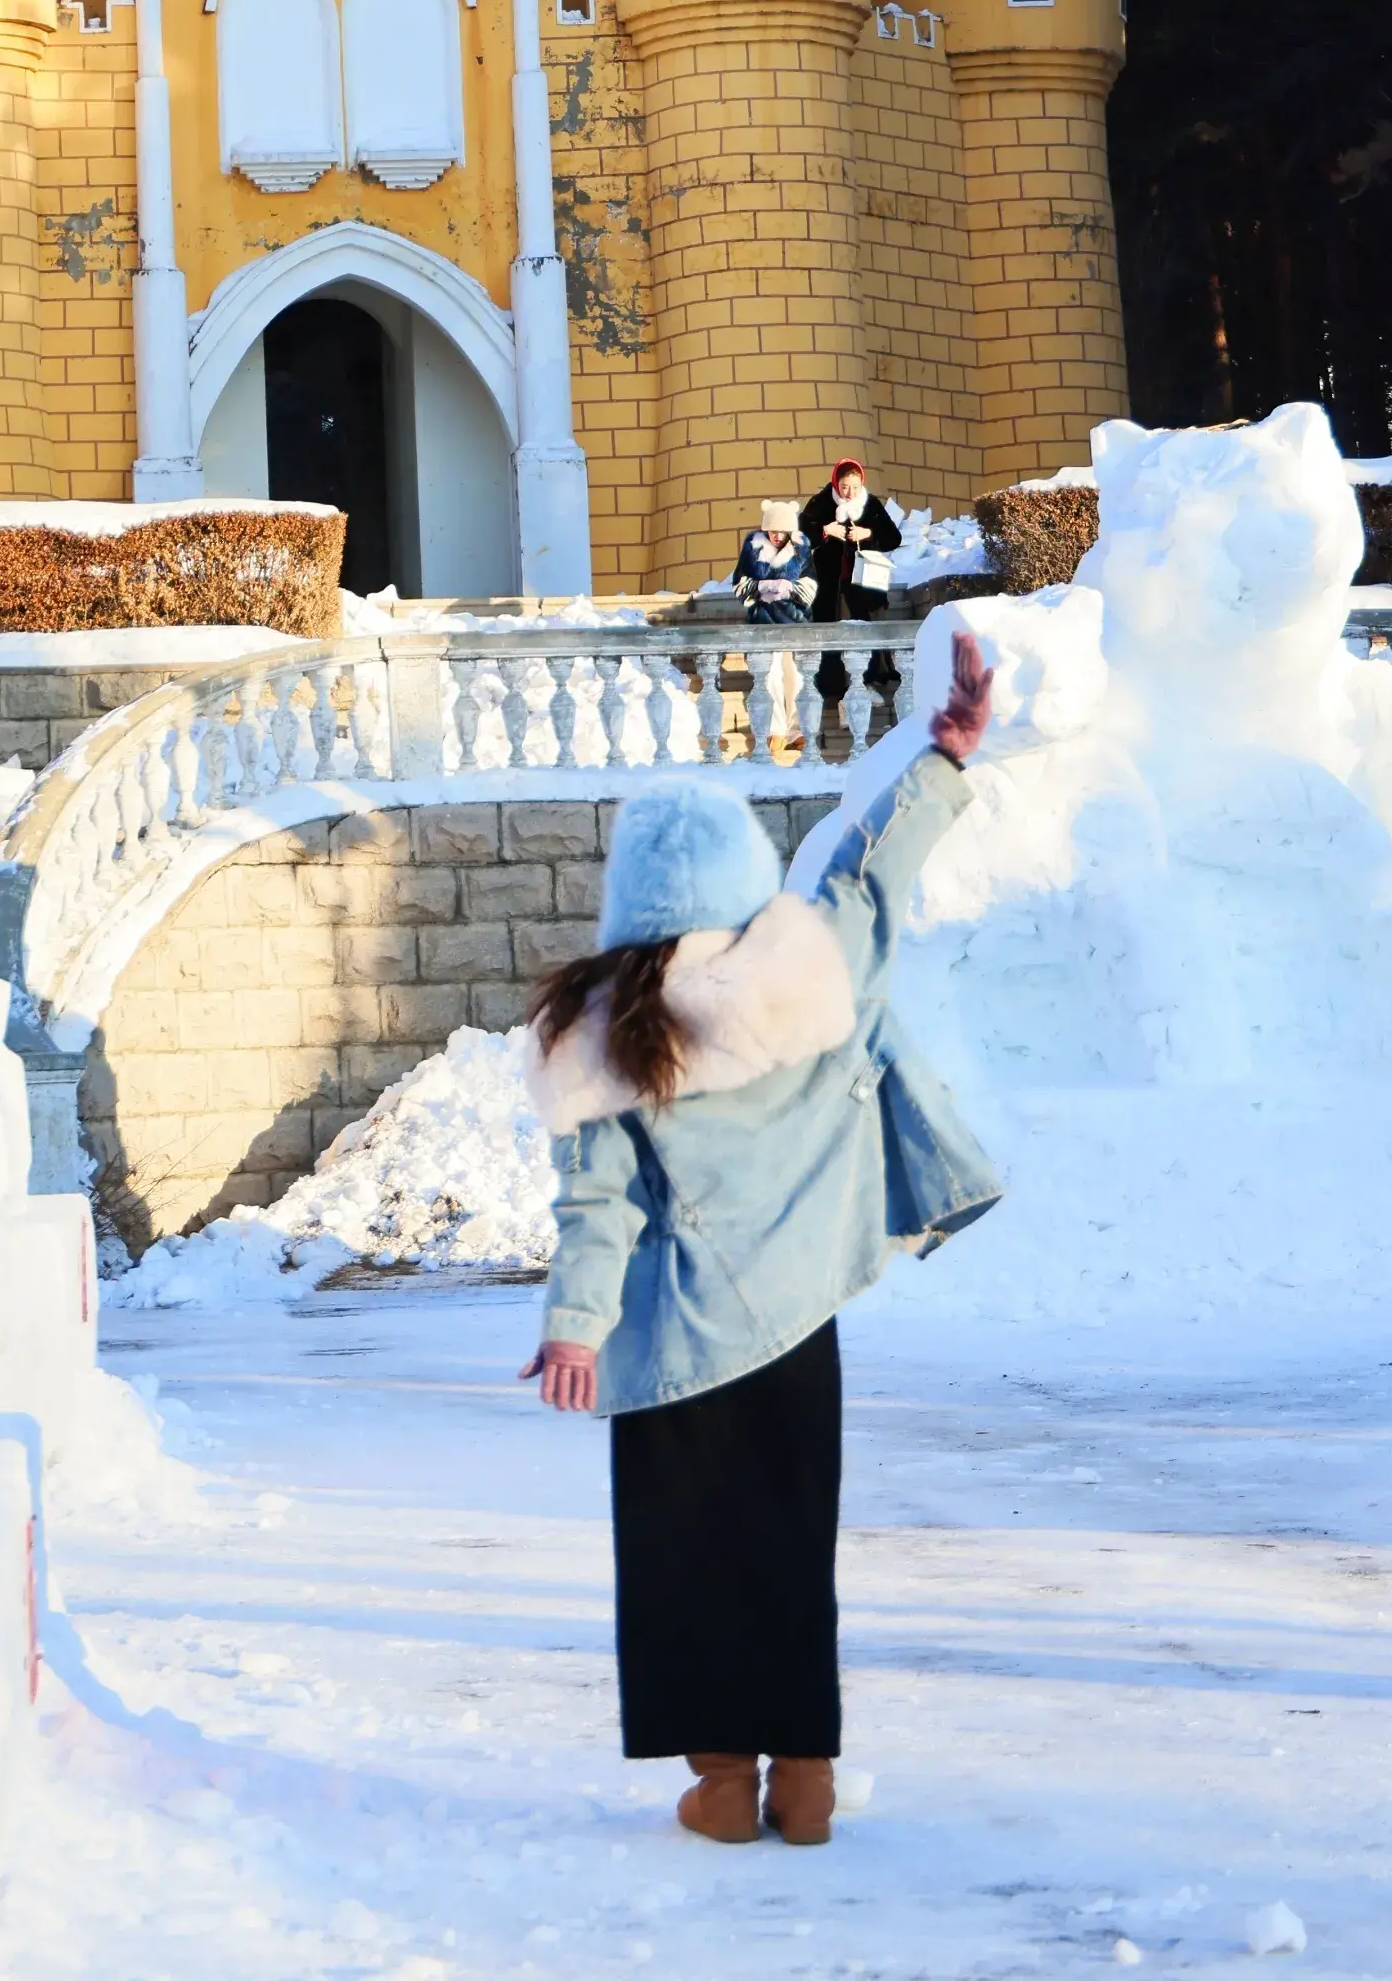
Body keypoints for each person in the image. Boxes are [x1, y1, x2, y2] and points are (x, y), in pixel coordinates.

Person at [520, 634, 1000, 1851]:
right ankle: (810, 1781)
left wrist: (576, 1324)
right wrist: (946, 751)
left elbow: (599, 1202)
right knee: (792, 1549)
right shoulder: (814, 965)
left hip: (676, 1342)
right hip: (799, 1331)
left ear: (630, 892)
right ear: (742, 878)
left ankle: (722, 1782)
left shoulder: (612, 1028)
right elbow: (878, 870)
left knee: (688, 1561)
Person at [800, 459, 902, 624]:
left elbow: (893, 538)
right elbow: (800, 537)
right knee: (827, 623)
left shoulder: (870, 505)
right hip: (827, 577)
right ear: (836, 483)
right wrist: (824, 531)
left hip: (865, 578)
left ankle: (875, 650)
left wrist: (868, 533)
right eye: (845, 487)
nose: (850, 494)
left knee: (867, 625)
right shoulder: (821, 502)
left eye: (856, 487)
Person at [728, 498, 813, 626]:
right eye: (773, 531)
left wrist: (789, 589)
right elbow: (739, 583)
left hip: (795, 621)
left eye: (782, 532)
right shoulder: (752, 549)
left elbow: (810, 584)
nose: (778, 537)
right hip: (761, 623)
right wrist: (761, 587)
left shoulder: (801, 550)